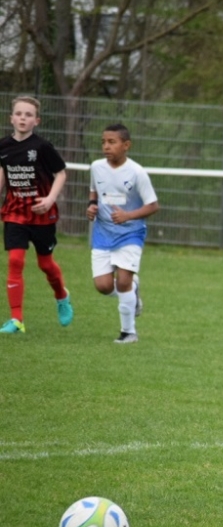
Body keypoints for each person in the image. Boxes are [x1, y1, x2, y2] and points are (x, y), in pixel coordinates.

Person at [0, 95, 73, 334]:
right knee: (15, 260)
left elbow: (61, 173)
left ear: (36, 121)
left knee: (46, 264)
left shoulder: (42, 147)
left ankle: (61, 296)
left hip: (42, 213)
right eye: (19, 114)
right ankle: (16, 319)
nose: (23, 118)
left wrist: (50, 199)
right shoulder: (3, 146)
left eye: (28, 115)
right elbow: (3, 174)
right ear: (11, 118)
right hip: (15, 212)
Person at [86, 123, 159, 344]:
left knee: (123, 280)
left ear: (126, 145)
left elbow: (153, 205)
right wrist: (91, 206)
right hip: (103, 233)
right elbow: (94, 191)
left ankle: (128, 332)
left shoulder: (137, 172)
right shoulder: (96, 167)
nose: (106, 147)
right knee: (103, 286)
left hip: (130, 233)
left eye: (112, 142)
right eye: (103, 142)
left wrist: (128, 216)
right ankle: (132, 293)